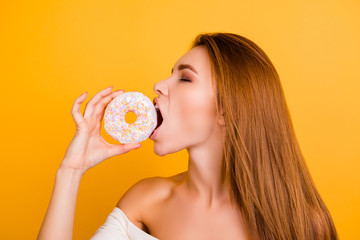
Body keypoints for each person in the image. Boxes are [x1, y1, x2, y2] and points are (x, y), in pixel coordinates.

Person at [37, 32, 338, 240]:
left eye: (184, 78)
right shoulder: (147, 200)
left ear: (227, 110)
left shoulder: (302, 221)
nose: (158, 85)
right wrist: (71, 171)